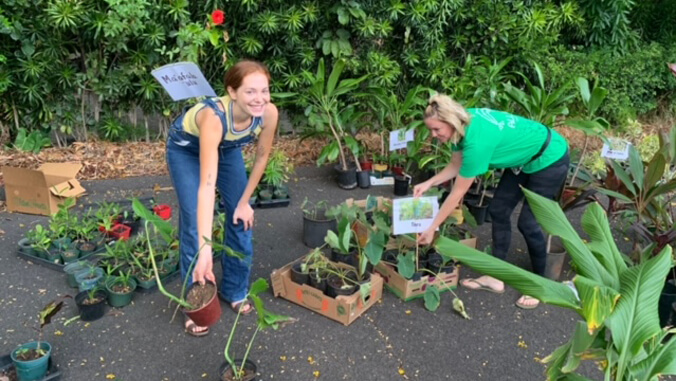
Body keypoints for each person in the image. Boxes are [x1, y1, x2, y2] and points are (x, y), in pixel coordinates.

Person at [413, 94, 569, 309]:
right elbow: (456, 165)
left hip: (550, 157)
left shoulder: (477, 143)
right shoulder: (462, 125)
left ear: (450, 122)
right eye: (431, 130)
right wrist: (429, 182)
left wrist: (432, 227)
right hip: (524, 158)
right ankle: (495, 277)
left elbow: (457, 193)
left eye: (436, 130)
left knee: (528, 223)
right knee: (498, 210)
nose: (433, 135)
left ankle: (541, 286)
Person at [166, 60, 278, 335]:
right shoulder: (213, 118)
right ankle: (195, 303)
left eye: (264, 91)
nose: (259, 99)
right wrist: (206, 249)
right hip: (187, 151)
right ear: (233, 91)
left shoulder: (268, 113)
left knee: (242, 217)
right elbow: (207, 186)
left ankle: (235, 289)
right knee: (194, 223)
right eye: (251, 92)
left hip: (227, 149)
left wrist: (244, 202)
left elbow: (263, 156)